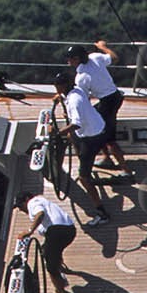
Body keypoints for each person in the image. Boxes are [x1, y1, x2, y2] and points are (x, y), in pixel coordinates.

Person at [53, 70, 114, 224]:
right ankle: (85, 160)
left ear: (65, 85)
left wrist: (55, 133)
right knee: (71, 137)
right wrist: (60, 99)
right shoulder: (77, 90)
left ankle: (102, 214)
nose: (56, 88)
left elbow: (76, 124)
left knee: (84, 178)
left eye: (58, 86)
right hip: (100, 128)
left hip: (91, 139)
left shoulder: (74, 101)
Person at [66, 41, 128, 172]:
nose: (68, 61)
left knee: (109, 137)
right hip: (116, 97)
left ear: (77, 59)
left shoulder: (81, 78)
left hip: (107, 103)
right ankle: (107, 158)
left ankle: (125, 170)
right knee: (100, 127)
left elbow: (83, 99)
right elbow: (114, 58)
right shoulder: (95, 57)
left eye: (70, 58)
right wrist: (103, 47)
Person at [15, 188, 79, 293]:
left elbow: (40, 214)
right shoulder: (44, 201)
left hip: (56, 231)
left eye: (20, 205)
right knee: (49, 251)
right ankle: (60, 276)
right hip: (70, 230)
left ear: (26, 199)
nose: (21, 210)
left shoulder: (33, 203)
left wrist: (29, 231)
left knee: (50, 267)